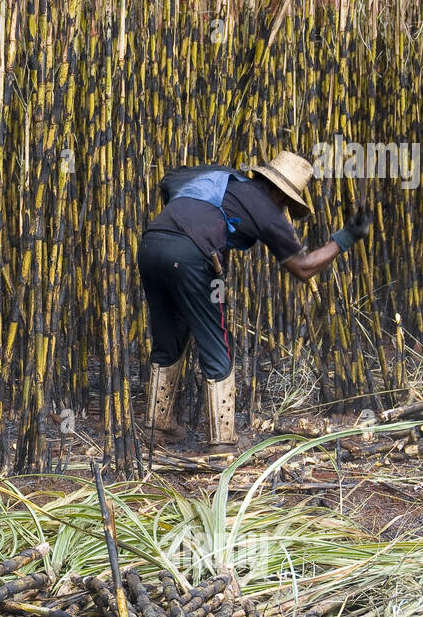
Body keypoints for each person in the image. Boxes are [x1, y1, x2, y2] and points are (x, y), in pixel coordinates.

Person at [137, 151, 371, 449]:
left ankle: (157, 427)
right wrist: (345, 238)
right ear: (276, 190)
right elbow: (303, 267)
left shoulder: (225, 181)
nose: (285, 207)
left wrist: (215, 285)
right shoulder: (266, 209)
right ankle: (222, 442)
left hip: (151, 245)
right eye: (286, 200)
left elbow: (169, 184)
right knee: (216, 339)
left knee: (169, 336)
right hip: (190, 256)